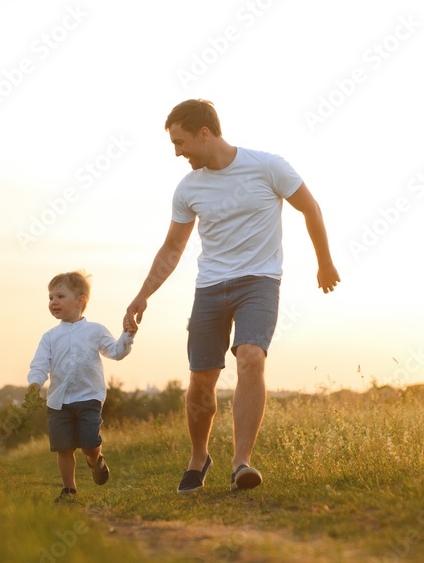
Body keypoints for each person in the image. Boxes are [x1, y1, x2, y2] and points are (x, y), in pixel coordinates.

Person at [123, 99, 340, 493]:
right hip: (210, 288)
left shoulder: (268, 166)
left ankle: (241, 463)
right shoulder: (188, 188)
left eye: (180, 142)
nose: (177, 152)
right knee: (200, 383)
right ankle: (198, 457)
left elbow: (310, 209)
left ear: (204, 133)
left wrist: (324, 263)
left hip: (259, 281)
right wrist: (143, 295)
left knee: (251, 358)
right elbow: (172, 248)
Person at [28, 270, 134, 503]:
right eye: (50, 297)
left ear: (80, 301)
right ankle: (69, 490)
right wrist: (35, 383)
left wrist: (127, 335)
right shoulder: (50, 336)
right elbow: (40, 364)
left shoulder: (95, 330)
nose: (53, 302)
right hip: (58, 402)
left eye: (60, 296)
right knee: (64, 448)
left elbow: (116, 352)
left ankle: (95, 459)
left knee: (89, 443)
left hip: (89, 398)